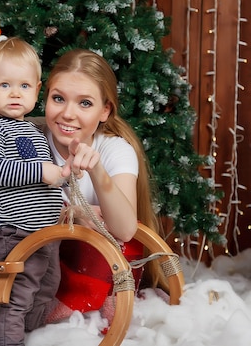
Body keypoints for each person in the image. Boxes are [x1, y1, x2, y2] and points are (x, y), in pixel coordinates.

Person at [42, 49, 168, 321]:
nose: (67, 114)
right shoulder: (32, 141)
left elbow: (124, 229)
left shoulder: (115, 149)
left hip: (93, 264)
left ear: (105, 110)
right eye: (58, 99)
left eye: (84, 103)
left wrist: (97, 170)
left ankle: (77, 305)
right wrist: (70, 213)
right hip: (43, 261)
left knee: (101, 250)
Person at [0, 36, 65, 346]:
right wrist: (41, 171)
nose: (15, 93)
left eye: (24, 86)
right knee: (19, 291)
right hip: (15, 230)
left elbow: (45, 176)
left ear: (37, 90)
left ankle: (30, 333)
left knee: (49, 283)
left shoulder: (31, 130)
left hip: (44, 231)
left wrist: (65, 173)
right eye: (5, 86)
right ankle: (9, 340)